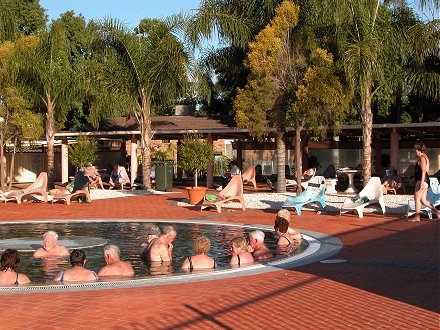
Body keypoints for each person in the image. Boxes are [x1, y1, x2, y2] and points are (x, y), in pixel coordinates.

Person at [409, 143, 440, 222]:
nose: (414, 151)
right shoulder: (424, 157)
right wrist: (414, 178)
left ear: (418, 150)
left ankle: (417, 216)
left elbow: (423, 171)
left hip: (422, 180)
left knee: (417, 198)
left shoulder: (422, 158)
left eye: (415, 149)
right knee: (423, 200)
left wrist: (421, 182)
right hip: (423, 180)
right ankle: (437, 211)